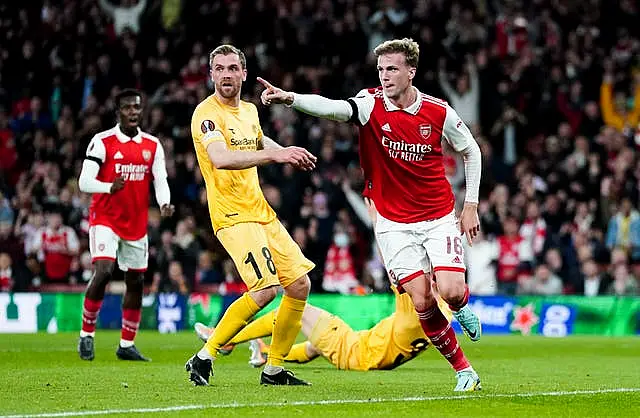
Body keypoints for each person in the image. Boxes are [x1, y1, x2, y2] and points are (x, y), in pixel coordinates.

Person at [258, 38, 483, 391]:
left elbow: (472, 151)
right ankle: (464, 371)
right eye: (380, 69)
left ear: (411, 71)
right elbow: (332, 108)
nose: (385, 76)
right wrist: (291, 98)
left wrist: (470, 205)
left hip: (438, 216)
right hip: (393, 224)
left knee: (452, 292)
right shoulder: (369, 104)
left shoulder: (439, 112)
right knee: (422, 300)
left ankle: (461, 306)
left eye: (392, 69)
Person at [185, 44, 318, 387]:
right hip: (232, 215)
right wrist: (277, 157)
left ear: (244, 73)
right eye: (220, 69)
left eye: (232, 68)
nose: (226, 74)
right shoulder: (206, 114)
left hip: (260, 211)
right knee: (265, 289)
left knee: (299, 285)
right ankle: (205, 356)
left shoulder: (249, 111)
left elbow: (259, 141)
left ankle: (273, 368)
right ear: (211, 74)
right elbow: (222, 158)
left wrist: (286, 153)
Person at [77, 88, 174, 361]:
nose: (133, 112)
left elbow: (161, 180)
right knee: (104, 270)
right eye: (127, 108)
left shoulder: (152, 145)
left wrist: (164, 202)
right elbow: (84, 182)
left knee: (136, 280)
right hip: (105, 217)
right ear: (117, 112)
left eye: (137, 107)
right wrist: (109, 186)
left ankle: (127, 344)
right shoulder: (102, 141)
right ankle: (86, 335)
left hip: (136, 222)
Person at [194, 281, 451, 372]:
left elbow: (399, 269)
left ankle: (226, 339)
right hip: (359, 351)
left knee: (294, 308)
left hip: (351, 347)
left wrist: (379, 218)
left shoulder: (416, 311)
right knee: (314, 346)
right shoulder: (443, 316)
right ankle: (264, 352)